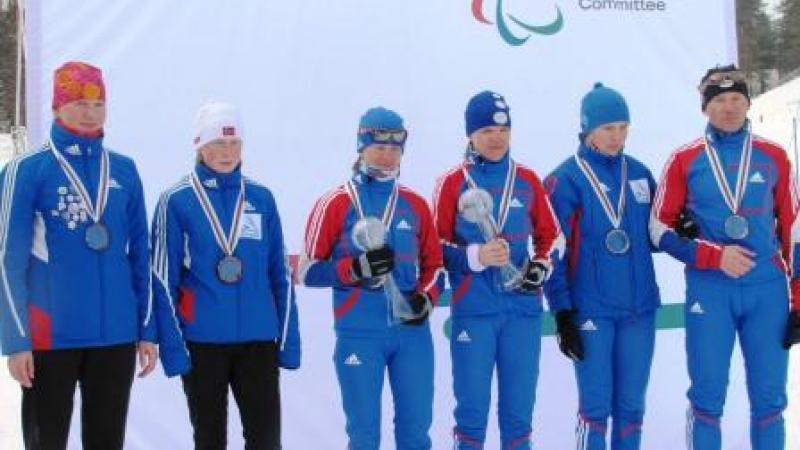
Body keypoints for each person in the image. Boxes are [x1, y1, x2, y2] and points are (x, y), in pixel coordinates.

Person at [0, 61, 157, 450]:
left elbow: (142, 254)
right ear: (56, 107)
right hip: (51, 334)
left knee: (107, 441)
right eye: (79, 103)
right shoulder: (26, 170)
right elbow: (8, 260)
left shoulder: (123, 169)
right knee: (46, 441)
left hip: (115, 335)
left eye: (99, 104)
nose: (90, 114)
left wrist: (146, 329)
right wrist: (16, 341)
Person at [650, 64, 800, 450]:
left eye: (737, 99)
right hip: (710, 290)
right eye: (719, 100)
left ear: (748, 104)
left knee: (770, 401)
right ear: (705, 108)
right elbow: (657, 229)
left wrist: (797, 300)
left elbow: (795, 232)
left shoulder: (774, 156)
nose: (729, 108)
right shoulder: (685, 159)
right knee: (707, 398)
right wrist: (711, 256)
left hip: (767, 291)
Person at [151, 100, 300, 450]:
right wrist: (173, 348)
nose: (227, 151)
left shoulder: (261, 199)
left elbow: (280, 273)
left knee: (266, 440)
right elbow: (163, 279)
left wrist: (288, 341)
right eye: (218, 142)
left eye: (235, 143)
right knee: (209, 439)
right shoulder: (176, 200)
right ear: (199, 145)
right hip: (202, 342)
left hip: (258, 340)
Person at [299, 106, 444, 450]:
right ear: (361, 147)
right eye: (379, 146)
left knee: (416, 433)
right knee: (364, 436)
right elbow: (306, 271)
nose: (387, 155)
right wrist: (355, 269)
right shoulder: (335, 202)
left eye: (395, 148)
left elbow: (435, 268)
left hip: (412, 336)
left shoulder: (415, 204)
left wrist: (426, 298)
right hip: (360, 332)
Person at [433, 91, 563, 449]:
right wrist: (475, 256)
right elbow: (433, 250)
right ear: (471, 134)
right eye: (487, 130)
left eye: (503, 130)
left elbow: (551, 237)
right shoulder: (452, 182)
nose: (496, 138)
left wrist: (540, 265)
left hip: (522, 311)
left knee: (519, 417)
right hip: (474, 311)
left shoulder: (528, 180)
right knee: (472, 416)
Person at [544, 83, 659, 450]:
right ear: (588, 128)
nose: (617, 136)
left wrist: (684, 227)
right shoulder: (565, 180)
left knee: (632, 409)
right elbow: (552, 253)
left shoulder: (639, 173)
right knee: (595, 410)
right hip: (592, 310)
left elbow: (656, 234)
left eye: (624, 127)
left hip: (639, 309)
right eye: (608, 128)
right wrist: (562, 313)